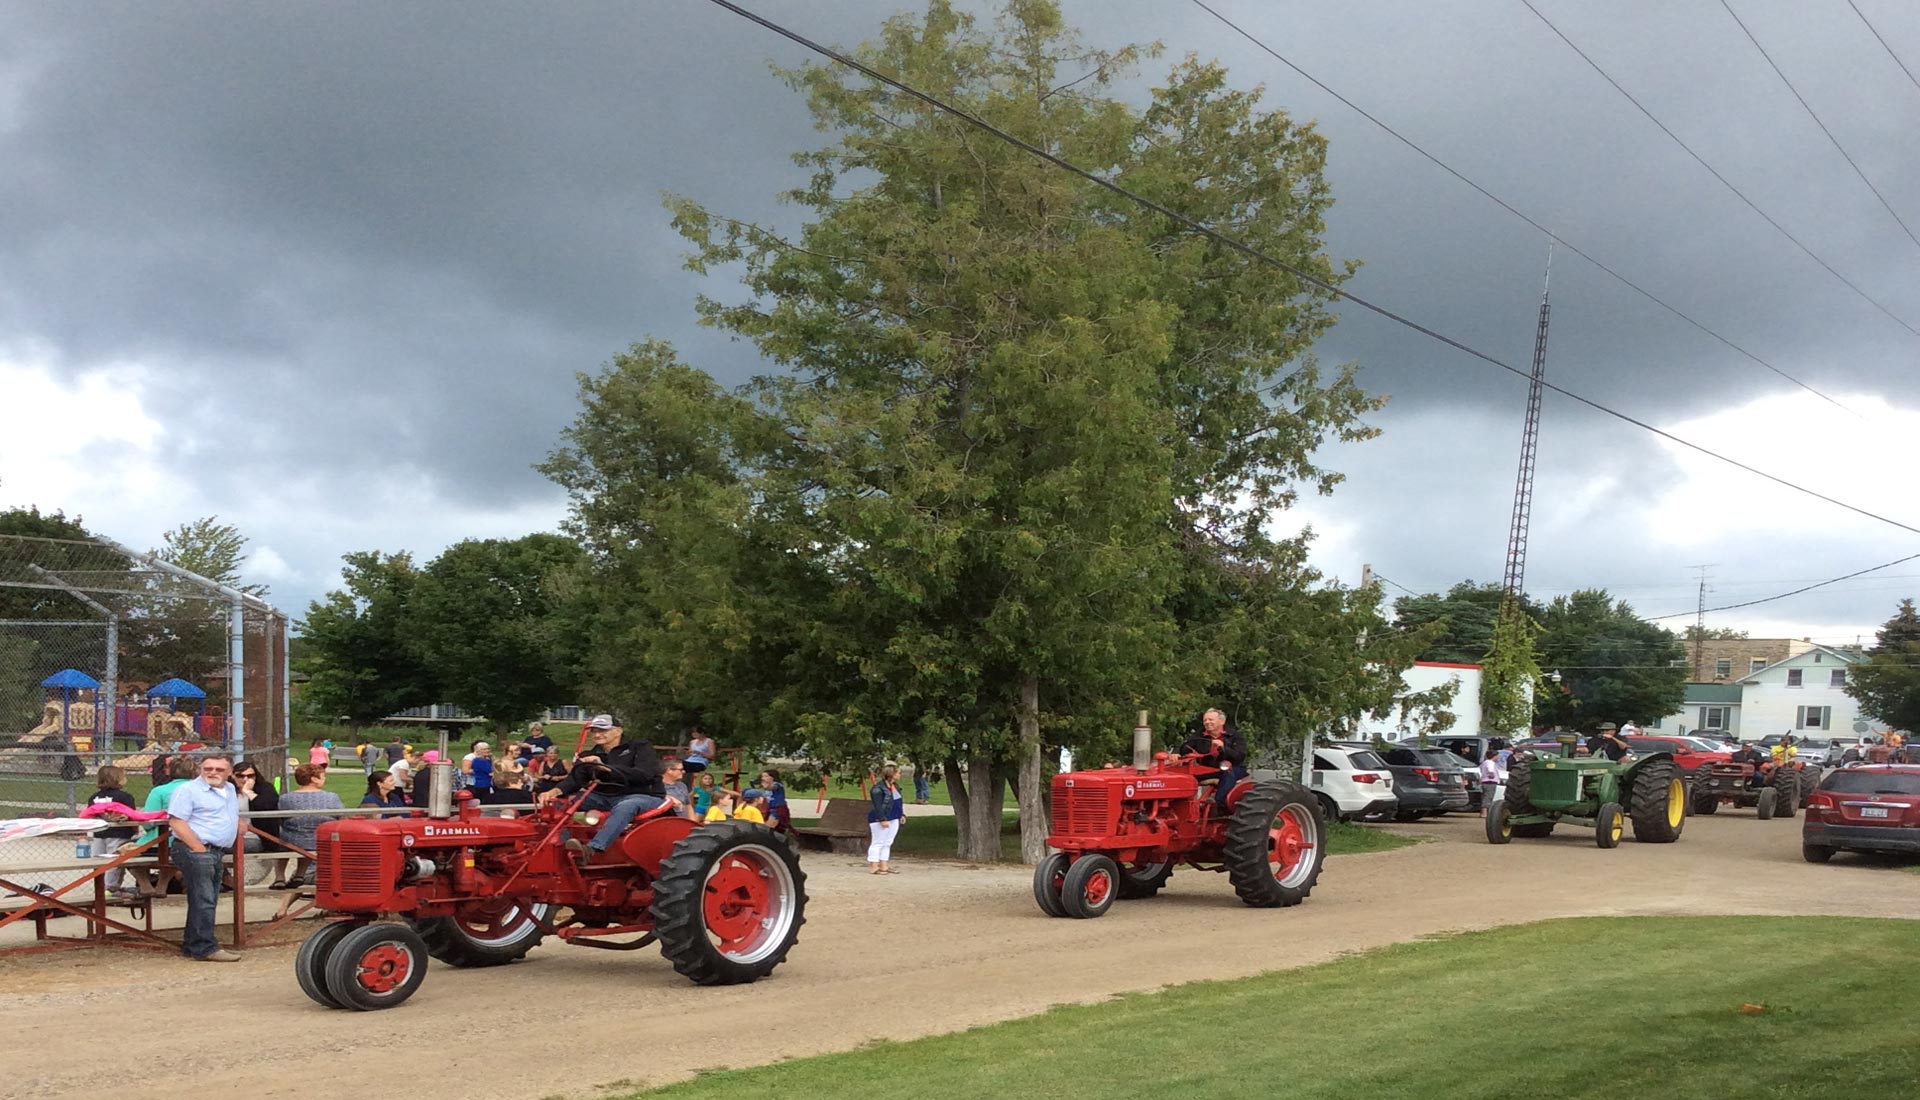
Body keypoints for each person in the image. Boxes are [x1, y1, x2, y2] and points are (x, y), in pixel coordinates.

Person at [166, 753, 241, 962]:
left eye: (219, 769)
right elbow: (176, 821)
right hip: (195, 849)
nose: (213, 773)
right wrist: (199, 848)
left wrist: (237, 824)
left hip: (216, 850)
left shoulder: (230, 789)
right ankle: (205, 947)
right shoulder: (187, 790)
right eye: (208, 769)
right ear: (200, 769)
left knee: (207, 898)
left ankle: (194, 944)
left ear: (229, 772)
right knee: (204, 898)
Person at [539, 714, 665, 816]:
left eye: (603, 730)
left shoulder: (639, 747)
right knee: (565, 803)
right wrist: (555, 791)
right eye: (594, 731)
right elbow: (575, 779)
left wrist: (607, 769)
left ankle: (597, 846)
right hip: (604, 797)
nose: (597, 735)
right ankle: (561, 843)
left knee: (625, 807)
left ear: (618, 731)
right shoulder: (589, 754)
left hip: (640, 795)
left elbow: (644, 775)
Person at [582, 759, 689, 856]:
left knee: (626, 806)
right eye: (681, 770)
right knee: (571, 800)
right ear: (669, 770)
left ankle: (595, 847)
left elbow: (688, 805)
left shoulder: (681, 786)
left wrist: (692, 824)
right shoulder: (661, 786)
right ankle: (570, 844)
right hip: (617, 798)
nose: (683, 772)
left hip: (672, 819)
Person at [276, 764, 343, 890]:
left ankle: (279, 877)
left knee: (284, 838)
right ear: (314, 779)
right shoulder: (331, 797)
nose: (325, 779)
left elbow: (281, 819)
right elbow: (341, 817)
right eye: (323, 776)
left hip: (293, 840)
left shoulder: (286, 798)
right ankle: (299, 875)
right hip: (322, 840)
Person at [232, 759, 286, 889]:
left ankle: (231, 881)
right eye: (240, 776)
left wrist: (249, 792)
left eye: (250, 776)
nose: (246, 779)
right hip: (228, 835)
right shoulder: (226, 790)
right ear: (233, 776)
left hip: (254, 837)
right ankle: (228, 880)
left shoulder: (265, 788)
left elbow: (266, 806)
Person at [1181, 708, 1248, 808]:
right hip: (1207, 770)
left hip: (1234, 768)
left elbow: (1239, 756)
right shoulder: (1199, 735)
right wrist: (1177, 754)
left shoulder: (1235, 736)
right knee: (1184, 776)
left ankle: (1218, 804)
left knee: (1228, 772)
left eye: (1210, 720)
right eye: (1205, 720)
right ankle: (1182, 805)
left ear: (1222, 721)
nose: (1207, 722)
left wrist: (1223, 748)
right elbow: (1185, 747)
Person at [88, 765, 139, 897]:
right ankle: (111, 888)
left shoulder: (94, 797)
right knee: (115, 861)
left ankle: (99, 887)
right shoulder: (125, 797)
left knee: (98, 860)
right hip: (119, 833)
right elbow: (131, 814)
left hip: (99, 832)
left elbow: (90, 814)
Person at [867, 763, 905, 875]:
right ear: (891, 774)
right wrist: (882, 818)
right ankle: (874, 866)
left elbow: (898, 802)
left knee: (888, 842)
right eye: (898, 773)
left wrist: (901, 814)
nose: (899, 775)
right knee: (878, 841)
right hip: (880, 818)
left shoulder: (895, 786)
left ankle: (884, 865)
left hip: (894, 817)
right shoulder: (878, 789)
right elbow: (878, 806)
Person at [1476, 752, 1504, 817]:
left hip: (1484, 781)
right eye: (1497, 756)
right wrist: (1492, 775)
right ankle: (1485, 813)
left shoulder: (1484, 762)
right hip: (1490, 781)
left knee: (1485, 796)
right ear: (1494, 756)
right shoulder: (1490, 762)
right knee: (1488, 797)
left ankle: (1483, 812)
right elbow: (1490, 770)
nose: (1498, 757)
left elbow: (1480, 768)